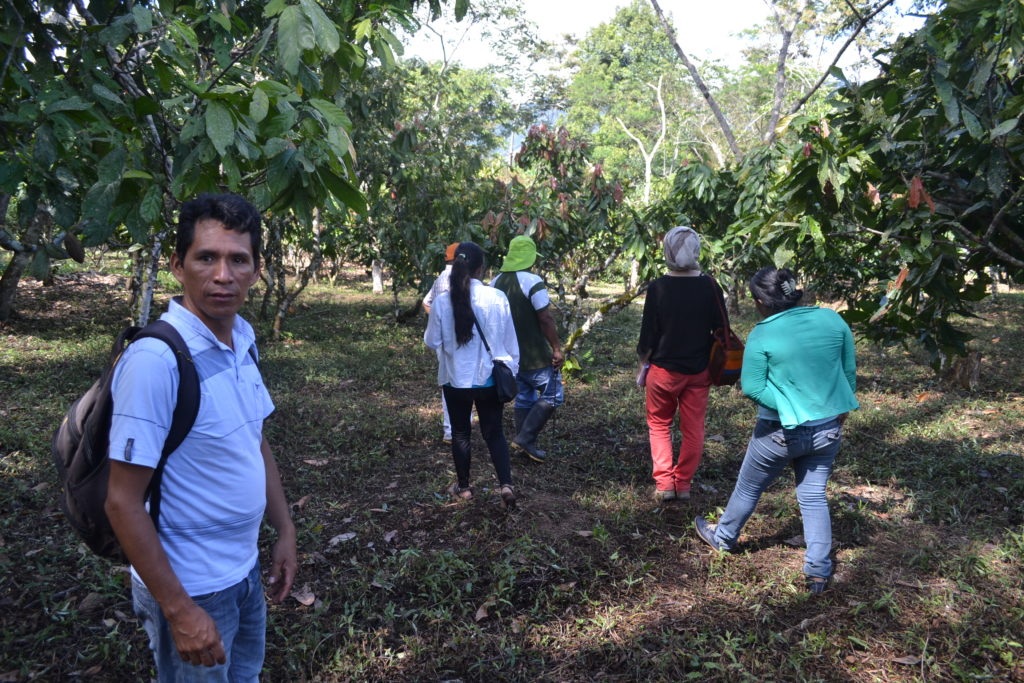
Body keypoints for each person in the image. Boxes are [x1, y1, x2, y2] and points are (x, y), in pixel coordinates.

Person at [105, 194, 297, 680]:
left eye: (238, 260)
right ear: (177, 265)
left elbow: (254, 441)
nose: (222, 275)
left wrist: (285, 529)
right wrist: (180, 610)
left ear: (256, 271)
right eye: (206, 257)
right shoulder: (155, 362)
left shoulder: (242, 340)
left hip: (244, 572)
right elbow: (122, 503)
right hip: (192, 586)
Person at [694, 267, 859, 594]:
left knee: (748, 488)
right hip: (827, 429)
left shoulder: (763, 333)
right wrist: (839, 412)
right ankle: (818, 570)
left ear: (759, 301)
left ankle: (723, 538)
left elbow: (752, 387)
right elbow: (848, 370)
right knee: (813, 496)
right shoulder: (832, 320)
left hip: (778, 432)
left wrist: (790, 407)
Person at [424, 242, 519, 508]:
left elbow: (432, 341)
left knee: (461, 433)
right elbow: (511, 343)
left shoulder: (443, 302)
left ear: (455, 266)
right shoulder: (497, 297)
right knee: (494, 433)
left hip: (456, 379)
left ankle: (464, 488)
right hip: (490, 378)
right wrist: (512, 369)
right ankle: (506, 484)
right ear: (481, 268)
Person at [636, 226, 724, 502]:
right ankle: (683, 484)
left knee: (660, 425)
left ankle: (665, 485)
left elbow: (648, 333)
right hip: (699, 370)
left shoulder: (658, 287)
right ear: (696, 250)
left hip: (663, 371)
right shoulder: (710, 285)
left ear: (668, 251)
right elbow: (721, 328)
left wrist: (642, 362)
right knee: (693, 428)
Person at [490, 235, 564, 463]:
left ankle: (525, 447)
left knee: (524, 397)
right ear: (529, 258)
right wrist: (556, 348)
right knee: (553, 395)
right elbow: (545, 318)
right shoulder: (532, 281)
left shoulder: (496, 281)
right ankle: (525, 437)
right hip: (535, 354)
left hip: (510, 355)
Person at [423, 242, 461, 443]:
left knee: (450, 382)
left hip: (444, 340)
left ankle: (451, 430)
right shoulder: (454, 278)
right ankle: (454, 429)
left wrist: (437, 322)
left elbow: (426, 303)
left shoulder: (440, 278)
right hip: (458, 340)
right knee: (459, 384)